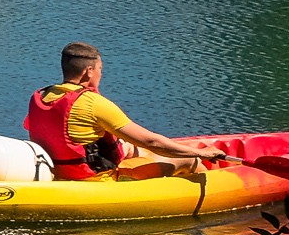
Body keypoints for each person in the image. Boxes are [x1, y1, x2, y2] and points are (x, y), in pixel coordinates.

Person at [25, 42, 203, 181]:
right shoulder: (94, 103)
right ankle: (211, 189)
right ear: (89, 72)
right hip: (96, 180)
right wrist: (202, 153)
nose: (100, 74)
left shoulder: (43, 96)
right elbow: (151, 141)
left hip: (56, 170)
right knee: (190, 160)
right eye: (100, 69)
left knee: (128, 146)